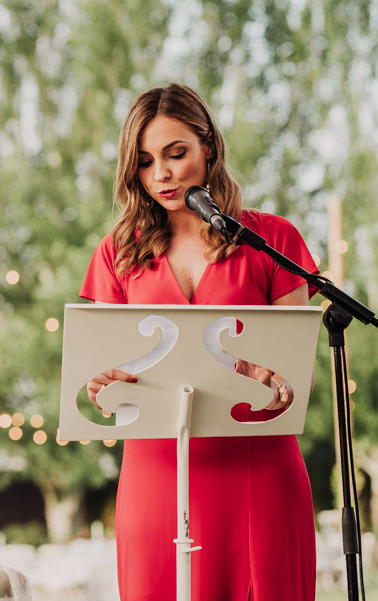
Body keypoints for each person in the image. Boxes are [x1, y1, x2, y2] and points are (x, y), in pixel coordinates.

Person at [80, 83, 318, 601]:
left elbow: (298, 379)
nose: (160, 174)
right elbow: (103, 383)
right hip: (155, 478)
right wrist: (105, 386)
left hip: (260, 472)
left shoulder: (273, 240)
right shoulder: (116, 253)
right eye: (144, 161)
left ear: (209, 147)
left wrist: (273, 379)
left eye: (176, 153)